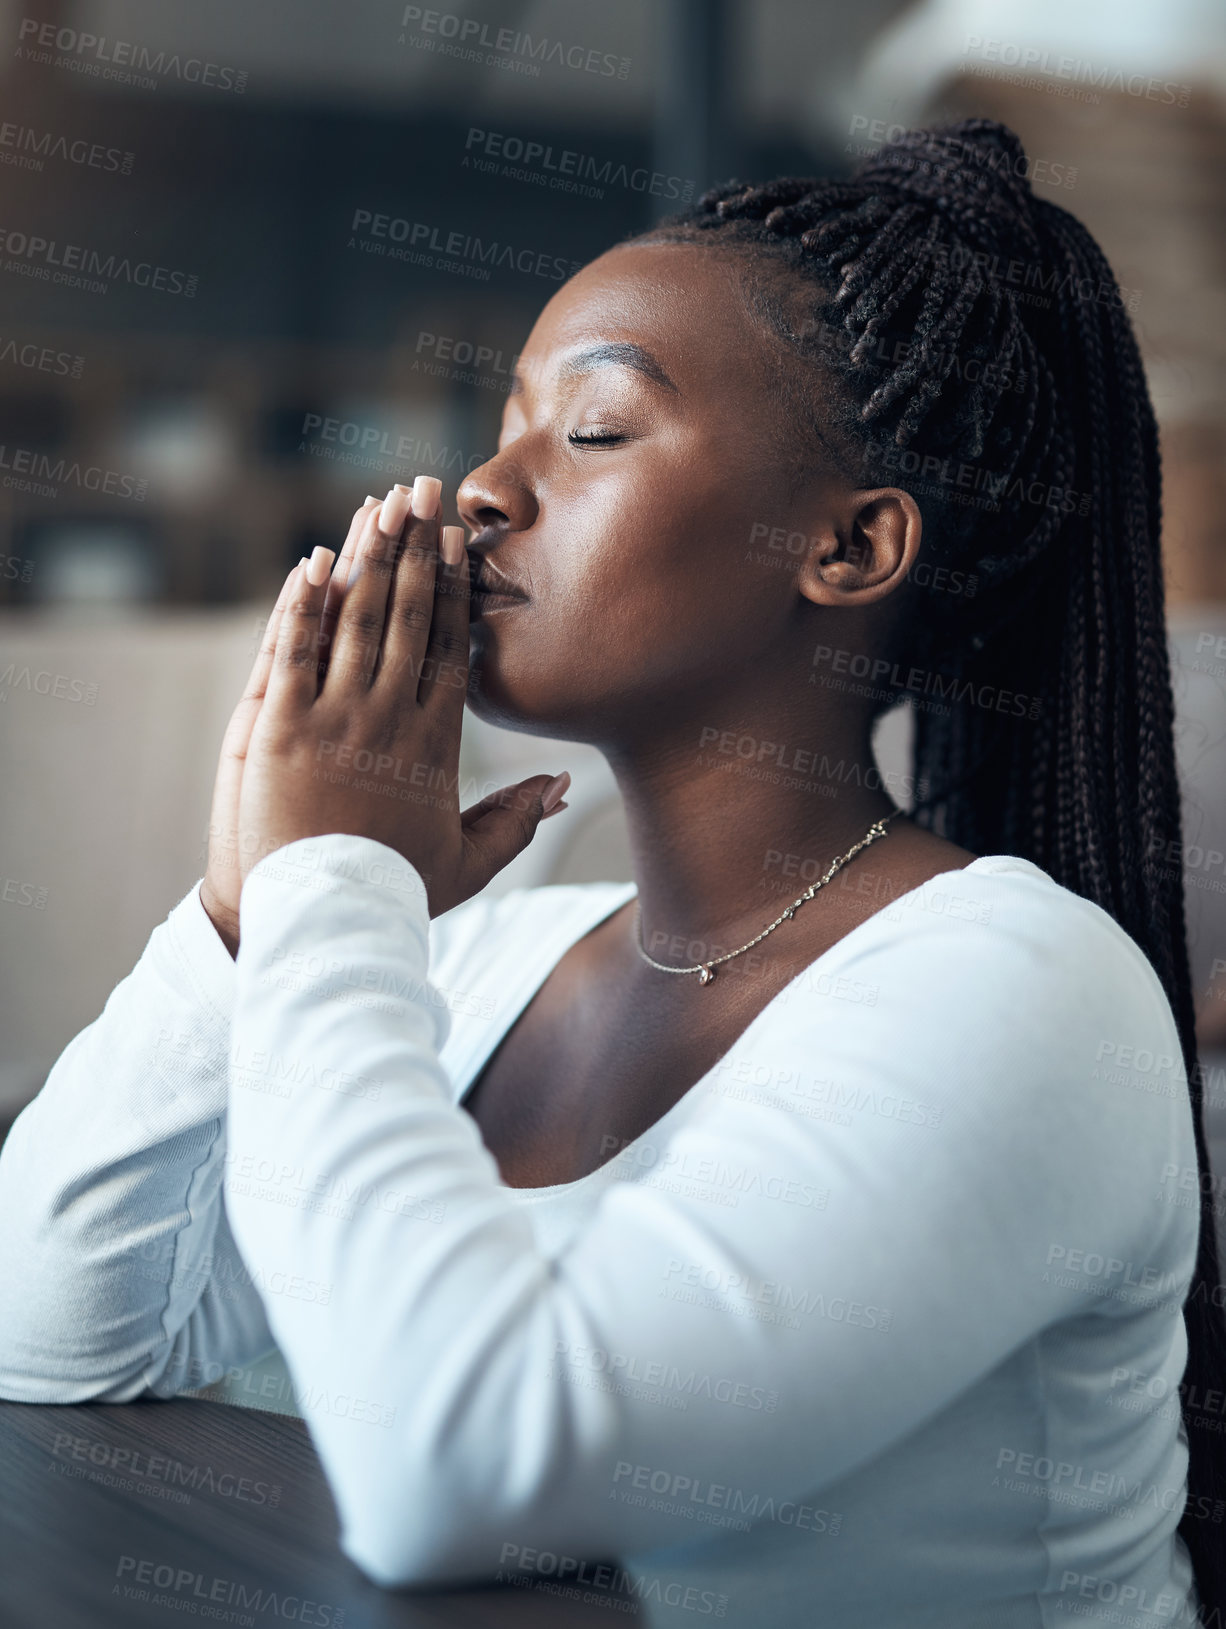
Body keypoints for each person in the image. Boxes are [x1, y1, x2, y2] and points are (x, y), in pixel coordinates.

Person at [0, 120, 1222, 1626]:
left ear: (845, 546)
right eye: (501, 421)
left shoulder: (1025, 990)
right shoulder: (488, 951)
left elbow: (455, 1470)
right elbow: (50, 1331)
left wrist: (326, 875)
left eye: (588, 431)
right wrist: (248, 915)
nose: (481, 491)